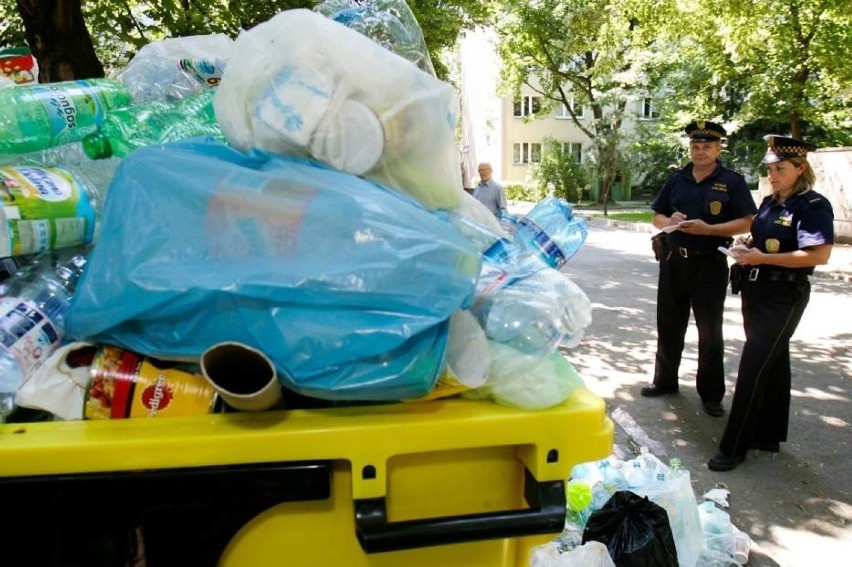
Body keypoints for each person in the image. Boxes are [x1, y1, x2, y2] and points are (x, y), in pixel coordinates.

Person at [708, 135, 834, 471]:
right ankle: (768, 434)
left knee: (752, 367)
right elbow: (759, 237)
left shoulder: (812, 206)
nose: (773, 174)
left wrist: (761, 257)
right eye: (770, 168)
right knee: (773, 362)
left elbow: (818, 255)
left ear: (800, 168)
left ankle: (733, 447)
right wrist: (745, 244)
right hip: (755, 291)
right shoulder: (769, 201)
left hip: (784, 296)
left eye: (780, 168)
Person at [642, 120, 757, 417]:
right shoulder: (677, 179)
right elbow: (657, 215)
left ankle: (710, 394)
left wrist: (709, 229)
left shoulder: (731, 181)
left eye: (707, 146)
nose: (700, 151)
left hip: (709, 263)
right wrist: (670, 223)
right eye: (695, 146)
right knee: (668, 324)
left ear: (718, 149)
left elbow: (747, 221)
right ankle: (665, 381)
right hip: (674, 261)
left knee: (709, 331)